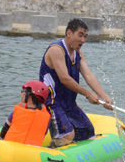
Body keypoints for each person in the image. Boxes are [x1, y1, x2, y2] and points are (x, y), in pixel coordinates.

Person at [39, 19, 113, 147]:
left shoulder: (78, 53)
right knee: (67, 135)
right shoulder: (56, 50)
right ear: (69, 33)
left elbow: (88, 76)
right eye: (80, 35)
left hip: (69, 103)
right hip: (51, 103)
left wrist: (104, 96)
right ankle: (48, 155)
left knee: (88, 132)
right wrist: (88, 94)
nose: (83, 40)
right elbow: (64, 79)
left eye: (85, 37)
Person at [0, 80, 55, 146]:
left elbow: (2, 136)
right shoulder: (47, 118)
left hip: (10, 148)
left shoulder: (17, 112)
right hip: (31, 152)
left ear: (28, 95)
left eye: (23, 91)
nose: (22, 94)